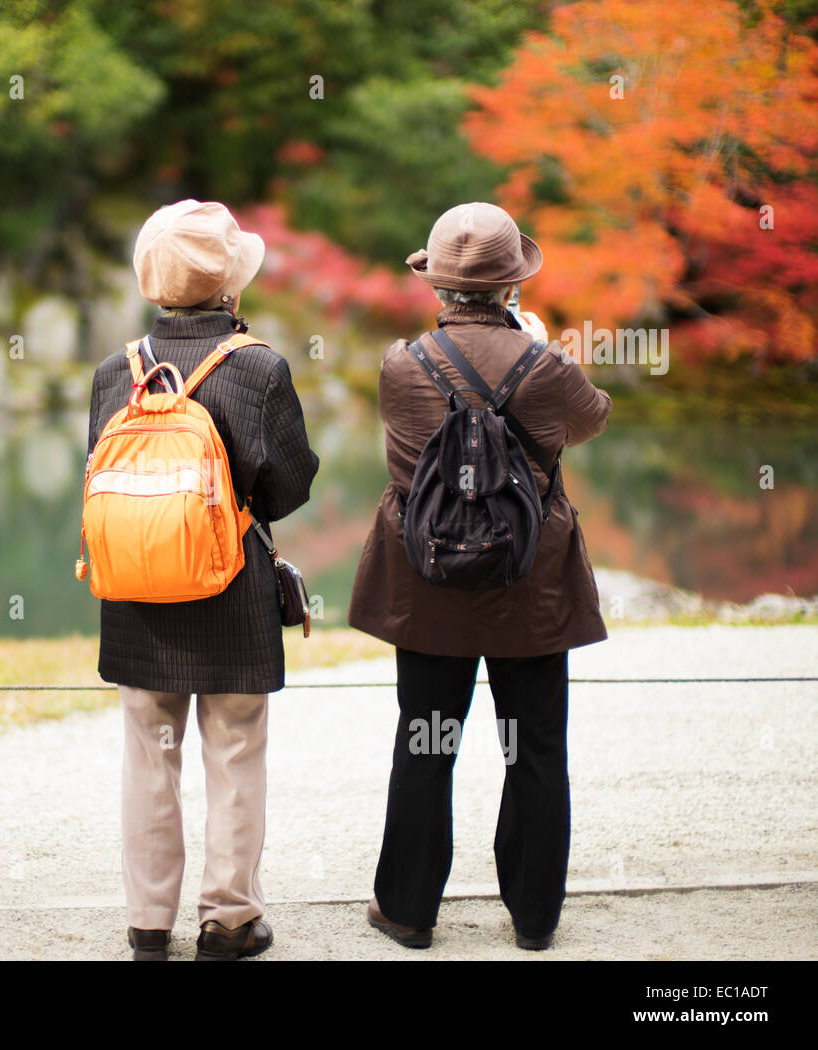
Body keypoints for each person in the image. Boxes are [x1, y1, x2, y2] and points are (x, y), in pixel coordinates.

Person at [348, 202, 612, 951]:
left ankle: (406, 909)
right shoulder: (548, 365)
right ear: (512, 288)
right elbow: (592, 420)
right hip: (528, 581)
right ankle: (533, 917)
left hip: (427, 579)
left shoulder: (402, 365)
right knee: (533, 748)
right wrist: (539, 348)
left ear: (438, 287)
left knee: (426, 742)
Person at [87, 200, 319, 961]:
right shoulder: (257, 367)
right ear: (230, 287)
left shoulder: (112, 372)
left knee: (150, 753)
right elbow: (286, 489)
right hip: (231, 596)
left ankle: (148, 924)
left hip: (136, 596)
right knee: (235, 751)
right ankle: (229, 920)